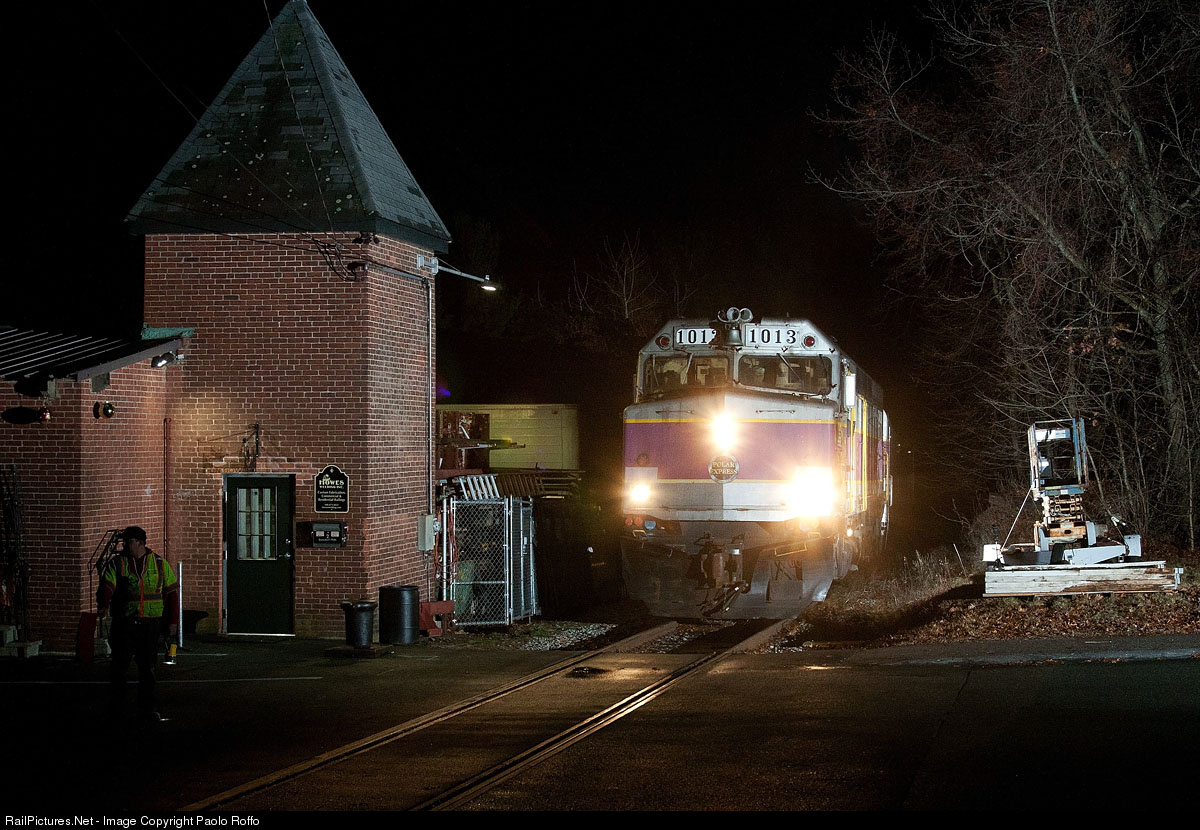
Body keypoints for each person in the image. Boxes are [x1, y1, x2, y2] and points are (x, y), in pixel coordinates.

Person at [97, 526, 179, 721]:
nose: (125, 545)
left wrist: (173, 622)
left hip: (150, 625)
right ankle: (117, 708)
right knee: (119, 667)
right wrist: (104, 604)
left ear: (140, 542)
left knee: (148, 669)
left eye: (129, 541)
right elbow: (108, 585)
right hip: (125, 623)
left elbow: (171, 594)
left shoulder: (159, 564)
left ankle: (147, 708)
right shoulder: (118, 563)